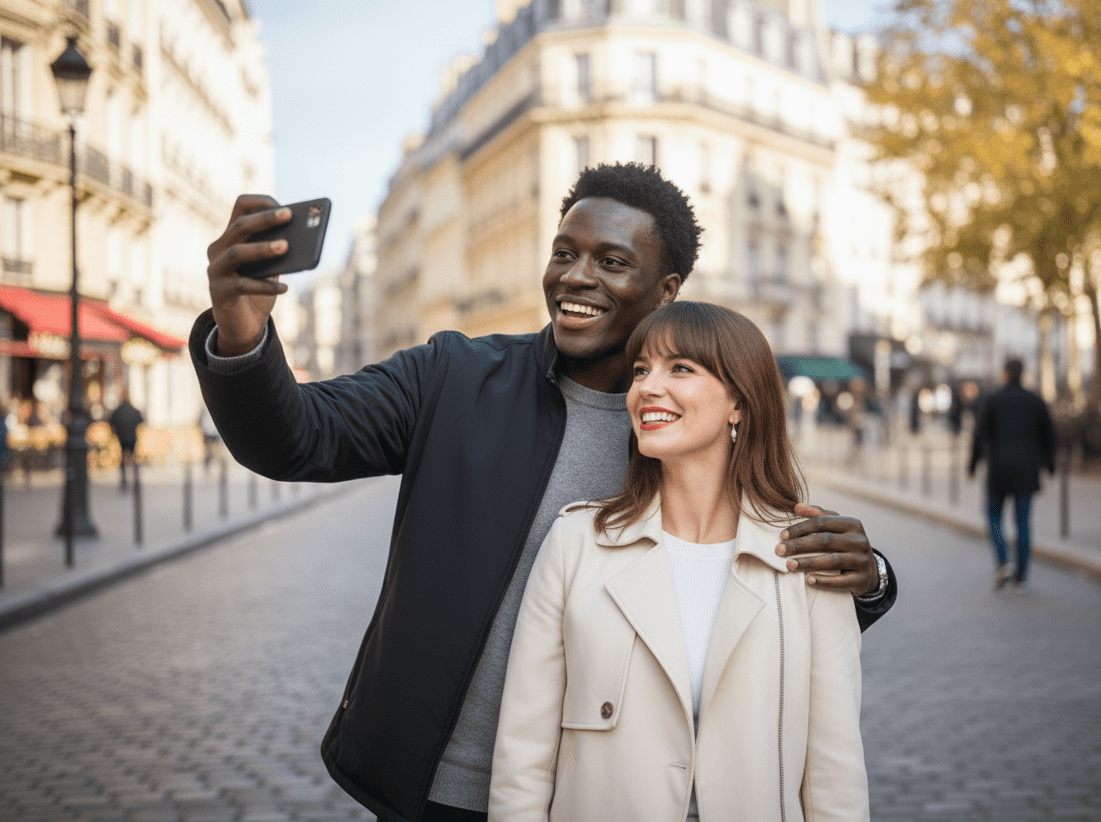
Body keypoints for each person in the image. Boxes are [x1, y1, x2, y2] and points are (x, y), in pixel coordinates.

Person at [193, 162, 895, 822]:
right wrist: (240, 329)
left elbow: (744, 601)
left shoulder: (680, 423)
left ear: (665, 290)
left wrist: (868, 580)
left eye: (611, 261)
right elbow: (295, 438)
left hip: (595, 793)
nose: (575, 277)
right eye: (564, 253)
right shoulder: (454, 376)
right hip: (436, 782)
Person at [490, 301, 868, 821]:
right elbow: (523, 760)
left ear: (739, 400)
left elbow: (835, 772)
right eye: (641, 369)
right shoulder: (575, 543)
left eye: (681, 368)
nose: (646, 386)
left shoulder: (804, 555)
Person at [968, 358, 1056, 593]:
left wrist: (973, 464)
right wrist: (1051, 465)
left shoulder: (993, 400)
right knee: (1023, 522)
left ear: (1005, 373)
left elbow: (979, 434)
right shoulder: (1036, 401)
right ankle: (1022, 577)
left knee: (993, 516)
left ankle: (1003, 561)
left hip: (999, 469)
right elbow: (1049, 435)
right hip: (1027, 470)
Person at [108, 391, 143, 490]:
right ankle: (135, 480)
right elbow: (141, 420)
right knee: (133, 459)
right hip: (132, 438)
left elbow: (111, 422)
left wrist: (116, 431)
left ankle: (124, 481)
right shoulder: (134, 410)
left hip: (122, 438)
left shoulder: (118, 411)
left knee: (123, 458)